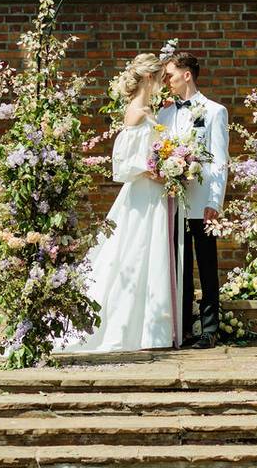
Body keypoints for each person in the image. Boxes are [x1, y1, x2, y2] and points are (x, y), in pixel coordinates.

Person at [60, 53, 177, 352]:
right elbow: (122, 164)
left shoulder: (150, 109)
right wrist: (153, 171)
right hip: (142, 194)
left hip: (154, 194)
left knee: (150, 254)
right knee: (135, 254)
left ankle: (152, 330)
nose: (164, 82)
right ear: (149, 78)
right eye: (162, 77)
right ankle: (129, 329)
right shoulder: (136, 112)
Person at [158, 52, 229, 349]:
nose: (167, 82)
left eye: (171, 75)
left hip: (202, 202)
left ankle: (210, 329)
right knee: (179, 267)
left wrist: (215, 200)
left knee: (207, 265)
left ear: (187, 74)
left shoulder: (213, 111)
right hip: (173, 202)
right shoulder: (163, 113)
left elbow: (220, 160)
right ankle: (182, 327)